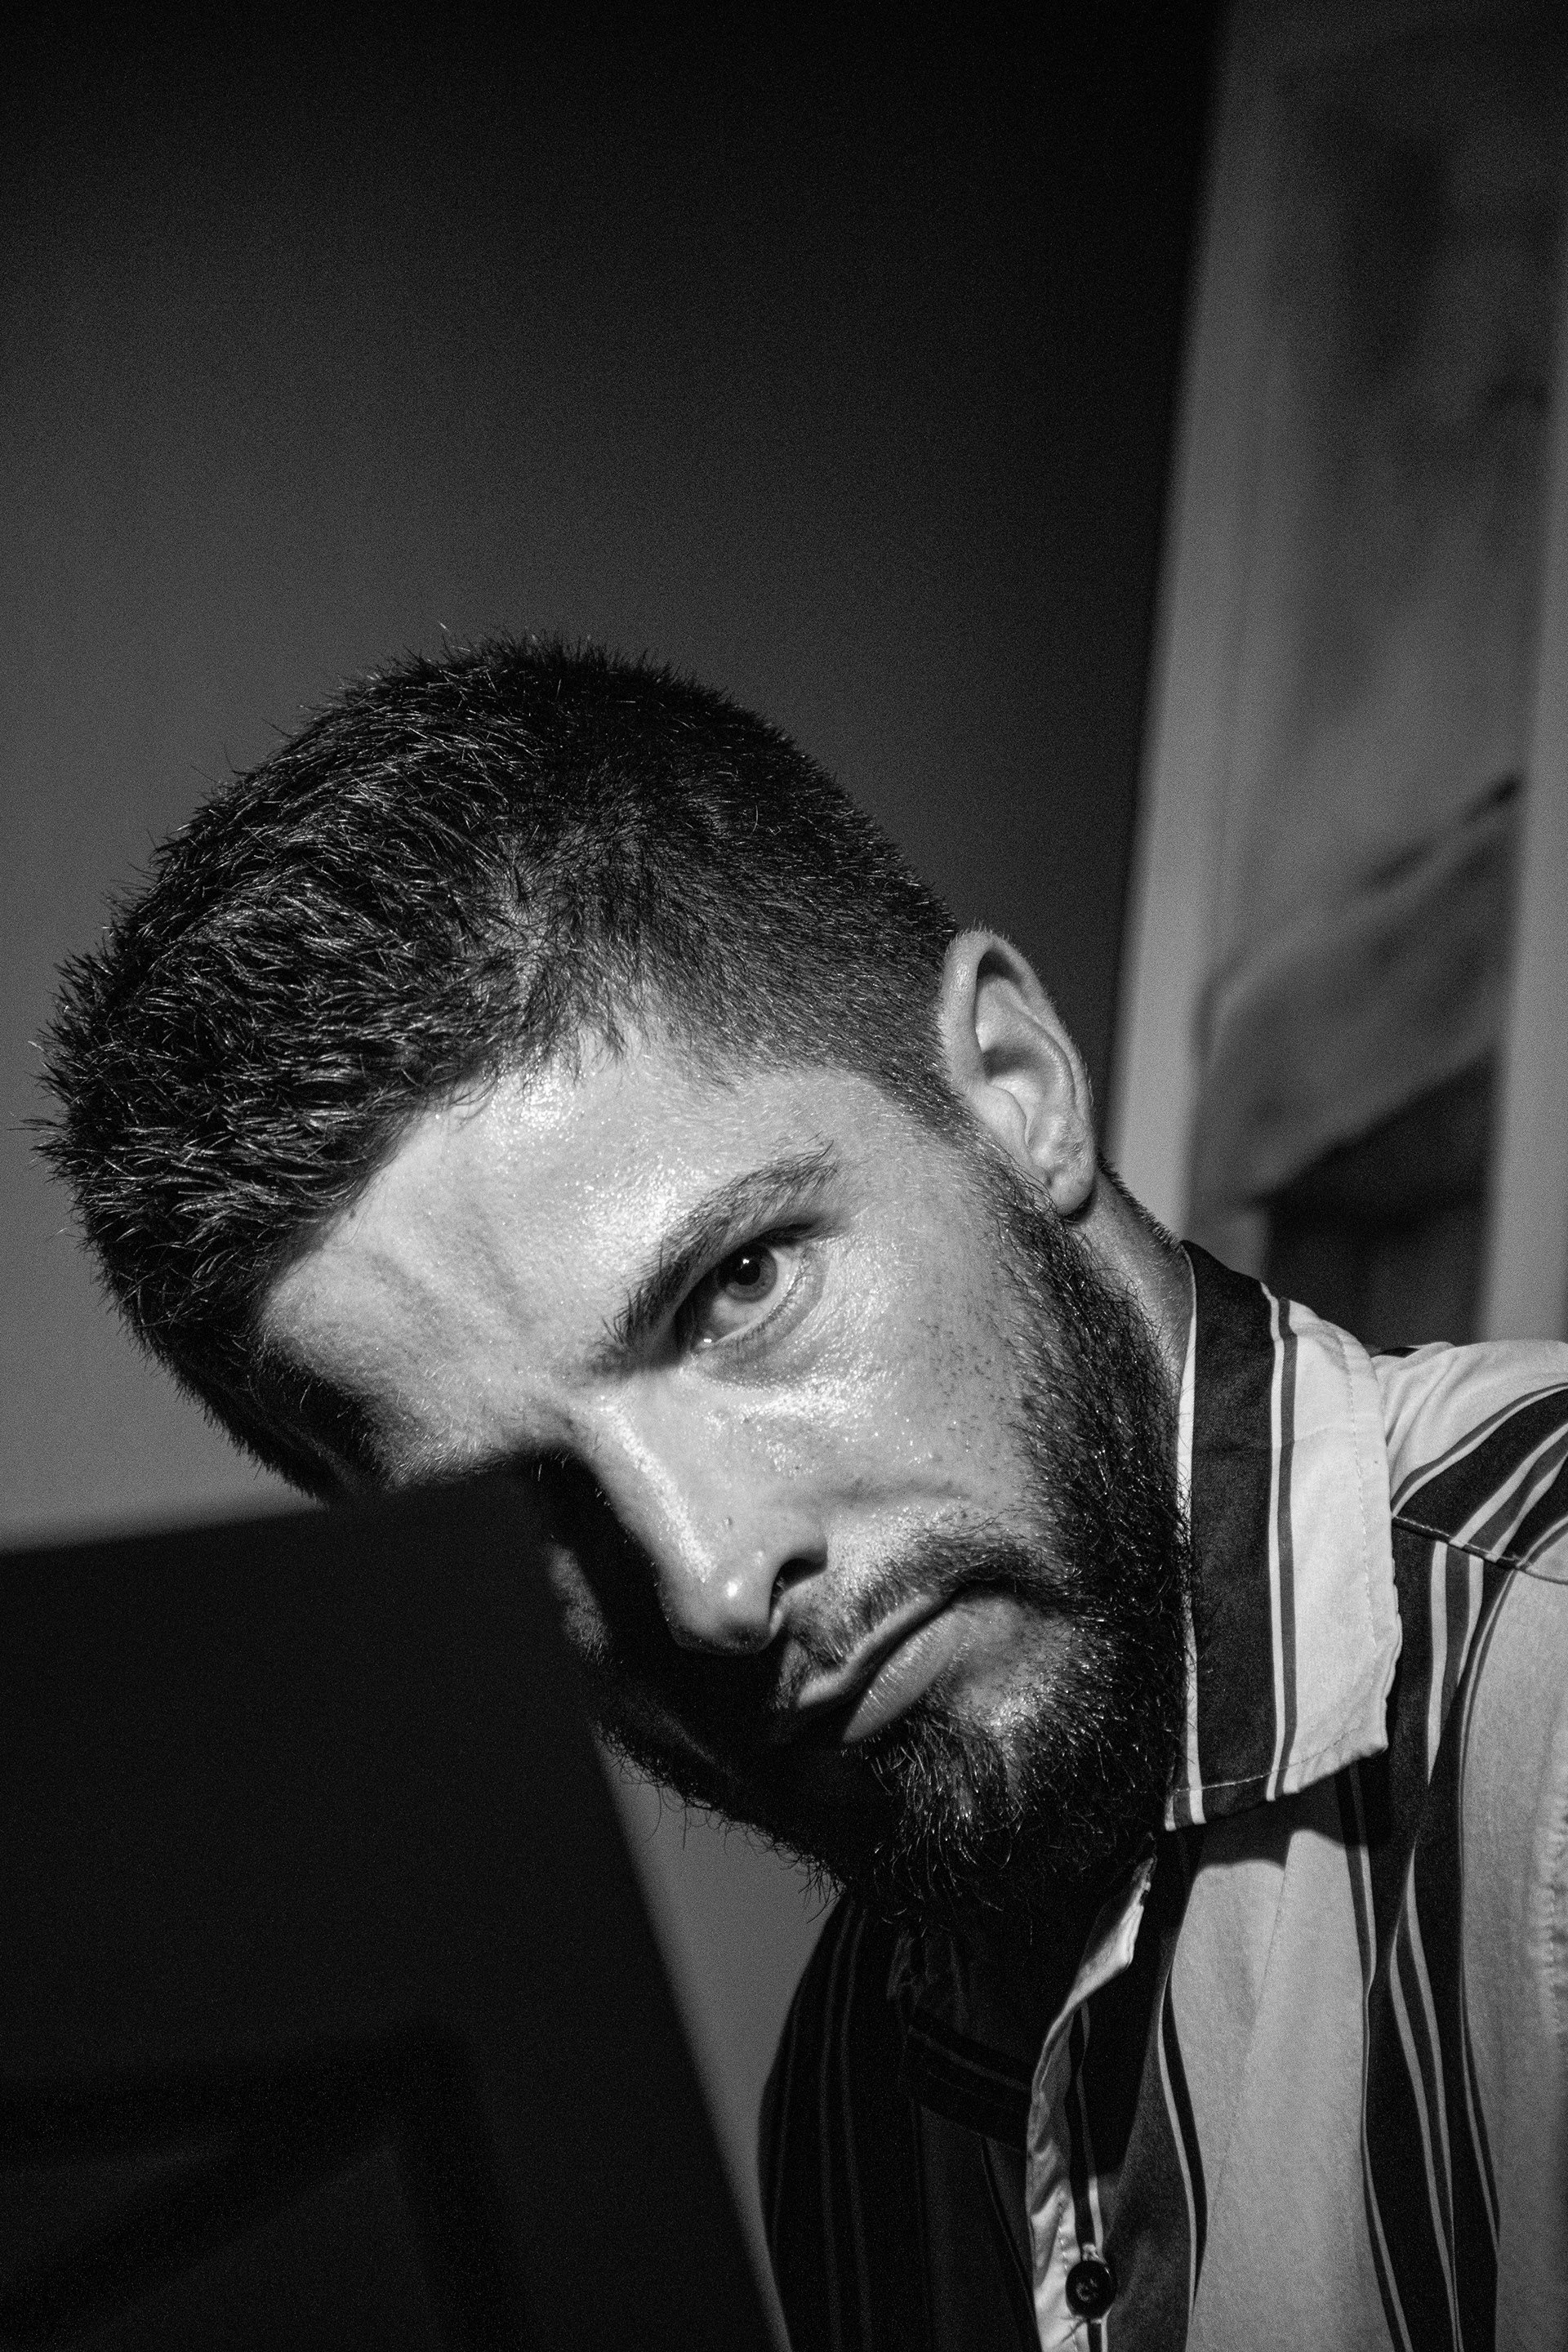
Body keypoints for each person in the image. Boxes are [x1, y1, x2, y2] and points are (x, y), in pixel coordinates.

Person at [40, 637, 1568, 2351]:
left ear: (1016, 1086)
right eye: (527, 1504)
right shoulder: (858, 2087)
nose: (707, 1578)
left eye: (739, 1287)